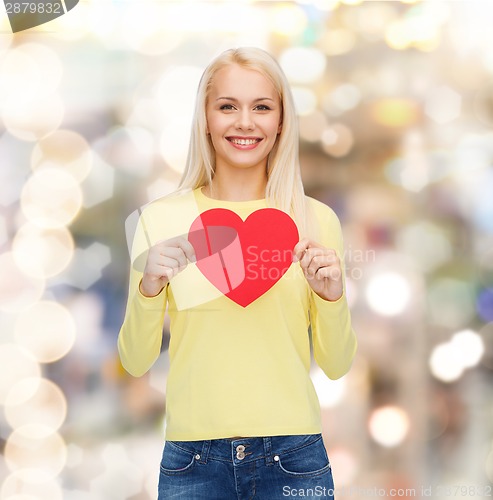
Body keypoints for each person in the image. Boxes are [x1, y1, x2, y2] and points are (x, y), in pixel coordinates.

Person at [118, 47, 357, 500]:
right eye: (227, 106)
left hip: (294, 457)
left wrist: (331, 297)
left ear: (281, 122)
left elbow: (337, 363)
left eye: (261, 107)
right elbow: (134, 359)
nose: (244, 122)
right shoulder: (161, 219)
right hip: (193, 460)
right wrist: (149, 289)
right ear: (205, 118)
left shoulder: (315, 219)